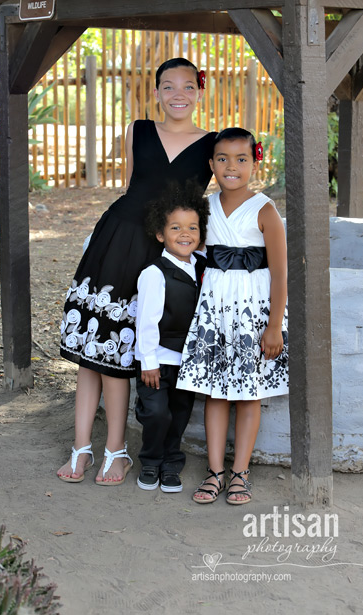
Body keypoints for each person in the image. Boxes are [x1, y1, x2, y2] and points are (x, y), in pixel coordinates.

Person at [57, 58, 216, 485]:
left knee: (121, 354)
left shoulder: (212, 144)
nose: (177, 94)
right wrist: (98, 240)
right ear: (158, 92)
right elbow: (129, 186)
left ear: (199, 92)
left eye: (187, 86)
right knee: (91, 354)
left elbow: (215, 201)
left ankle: (116, 451)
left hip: (161, 252)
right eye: (168, 86)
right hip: (116, 239)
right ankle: (81, 448)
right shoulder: (138, 129)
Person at [177, 127, 288, 505]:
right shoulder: (204, 209)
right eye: (223, 159)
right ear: (211, 164)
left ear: (254, 164)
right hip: (214, 313)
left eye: (241, 159)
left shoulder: (265, 211)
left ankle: (240, 473)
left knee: (248, 394)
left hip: (251, 316)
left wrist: (274, 326)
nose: (231, 167)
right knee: (215, 393)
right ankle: (214, 472)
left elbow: (281, 273)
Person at [134, 181, 209, 493]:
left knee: (179, 415)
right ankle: (150, 461)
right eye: (176, 227)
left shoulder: (202, 266)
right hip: (158, 360)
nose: (185, 233)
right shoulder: (154, 273)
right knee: (156, 412)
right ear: (160, 234)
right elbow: (147, 321)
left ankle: (171, 464)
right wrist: (148, 362)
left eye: (192, 227)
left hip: (187, 360)